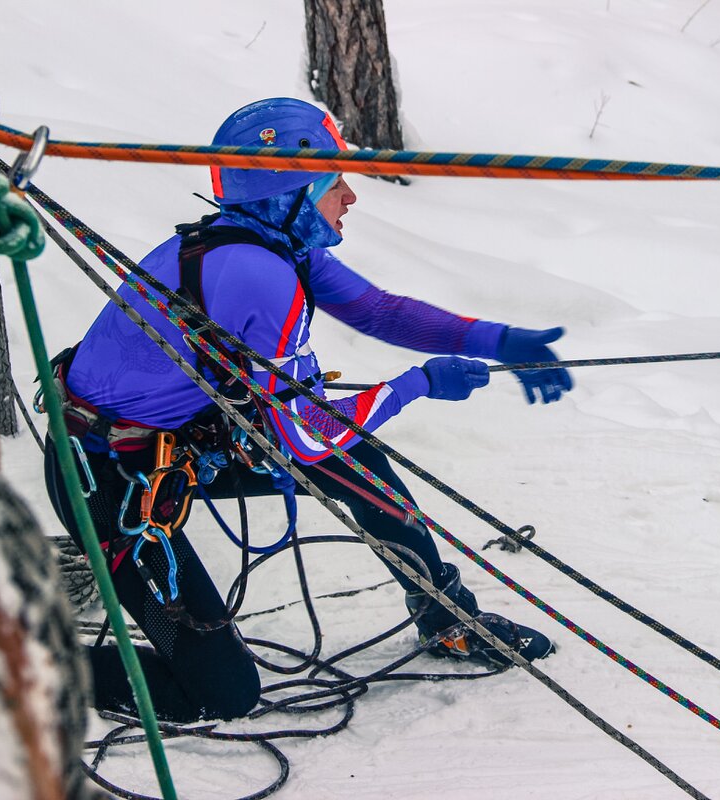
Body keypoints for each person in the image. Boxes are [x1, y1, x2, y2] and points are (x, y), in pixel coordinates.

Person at [44, 97, 574, 723]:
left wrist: (501, 341)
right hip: (108, 485)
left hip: (166, 454)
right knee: (221, 695)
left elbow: (379, 311)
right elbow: (304, 437)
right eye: (333, 181)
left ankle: (446, 617)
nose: (350, 194)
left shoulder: (271, 242)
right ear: (291, 190)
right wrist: (416, 385)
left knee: (359, 458)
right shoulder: (258, 275)